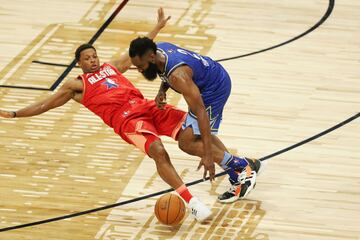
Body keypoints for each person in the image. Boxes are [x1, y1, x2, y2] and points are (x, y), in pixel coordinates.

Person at [0, 8, 212, 222]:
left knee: (191, 125)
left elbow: (139, 52)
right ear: (79, 63)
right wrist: (15, 113)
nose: (93, 60)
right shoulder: (76, 86)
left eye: (94, 56)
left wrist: (157, 27)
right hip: (128, 122)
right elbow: (45, 104)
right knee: (158, 150)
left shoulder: (112, 67)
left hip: (146, 106)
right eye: (87, 58)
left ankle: (236, 165)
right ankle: (192, 202)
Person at [128, 37, 263, 203]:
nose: (140, 70)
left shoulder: (178, 77)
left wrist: (207, 156)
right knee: (195, 138)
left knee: (188, 142)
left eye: (141, 66)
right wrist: (162, 90)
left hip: (214, 90)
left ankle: (244, 167)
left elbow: (201, 112)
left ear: (150, 57)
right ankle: (238, 172)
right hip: (210, 77)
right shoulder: (160, 49)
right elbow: (165, 74)